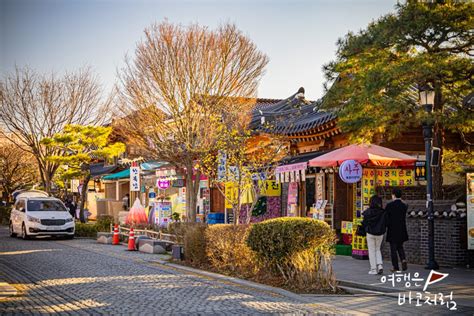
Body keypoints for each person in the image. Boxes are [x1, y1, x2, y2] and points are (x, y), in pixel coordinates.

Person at [362, 195, 387, 275]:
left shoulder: (368, 212)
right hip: (380, 233)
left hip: (370, 233)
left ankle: (373, 269)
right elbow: (386, 222)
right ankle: (380, 265)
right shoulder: (383, 212)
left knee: (371, 251)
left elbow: (364, 222)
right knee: (377, 249)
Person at [385, 188, 409, 272]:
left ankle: (395, 267)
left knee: (393, 249)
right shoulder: (404, 205)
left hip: (392, 230)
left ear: (394, 195)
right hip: (402, 229)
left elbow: (386, 218)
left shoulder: (389, 205)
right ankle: (403, 259)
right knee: (400, 246)